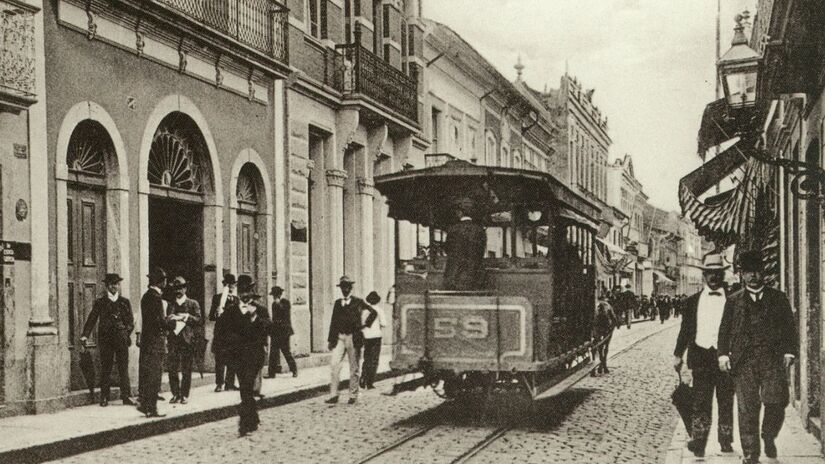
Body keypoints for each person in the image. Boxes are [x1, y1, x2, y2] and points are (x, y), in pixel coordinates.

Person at [718, 250, 797, 464]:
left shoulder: (778, 299)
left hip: (772, 359)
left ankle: (768, 435)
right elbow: (724, 330)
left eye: (756, 271)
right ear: (742, 275)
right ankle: (751, 455)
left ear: (763, 273)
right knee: (747, 408)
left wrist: (789, 351)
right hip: (744, 362)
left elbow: (790, 328)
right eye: (748, 272)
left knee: (776, 402)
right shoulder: (733, 301)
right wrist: (723, 354)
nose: (753, 276)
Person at [673, 254, 734, 457]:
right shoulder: (692, 302)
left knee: (725, 400)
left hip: (726, 357)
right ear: (704, 276)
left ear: (723, 275)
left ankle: (725, 439)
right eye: (710, 274)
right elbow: (685, 330)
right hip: (700, 356)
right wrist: (678, 354)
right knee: (701, 401)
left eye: (717, 273)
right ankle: (699, 441)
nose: (714, 277)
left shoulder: (734, 300)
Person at [224, 274, 273, 436]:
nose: (245, 295)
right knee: (245, 388)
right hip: (238, 356)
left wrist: (255, 318)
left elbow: (268, 328)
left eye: (248, 291)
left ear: (252, 292)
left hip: (254, 355)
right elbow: (225, 331)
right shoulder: (231, 311)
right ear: (238, 292)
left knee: (246, 386)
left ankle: (244, 423)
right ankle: (253, 417)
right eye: (242, 291)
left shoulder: (261, 310)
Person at [80, 273, 135, 407]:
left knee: (123, 367)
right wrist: (85, 334)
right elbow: (92, 318)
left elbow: (130, 322)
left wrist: (125, 332)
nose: (114, 286)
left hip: (121, 340)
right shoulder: (101, 302)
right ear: (107, 286)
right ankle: (104, 397)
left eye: (116, 284)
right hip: (106, 340)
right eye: (111, 284)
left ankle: (126, 396)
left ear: (118, 285)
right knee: (106, 368)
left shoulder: (124, 302)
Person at [326, 276, 370, 405]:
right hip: (340, 337)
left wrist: (364, 325)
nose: (344, 289)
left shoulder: (358, 302)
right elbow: (333, 322)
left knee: (354, 367)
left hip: (353, 337)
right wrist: (330, 339)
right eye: (342, 287)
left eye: (346, 287)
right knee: (334, 365)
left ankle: (353, 395)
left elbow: (372, 312)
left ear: (350, 288)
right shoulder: (338, 303)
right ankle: (334, 395)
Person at [137, 267, 174, 418]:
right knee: (155, 375)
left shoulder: (146, 296)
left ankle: (145, 405)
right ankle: (151, 408)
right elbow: (160, 322)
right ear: (160, 282)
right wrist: (171, 322)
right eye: (164, 280)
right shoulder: (157, 298)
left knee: (147, 374)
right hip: (156, 342)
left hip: (147, 341)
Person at [165, 277, 201, 405]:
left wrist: (185, 316)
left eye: (181, 288)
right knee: (172, 367)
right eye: (176, 289)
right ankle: (175, 394)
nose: (178, 291)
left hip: (187, 339)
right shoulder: (171, 304)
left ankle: (185, 394)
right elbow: (167, 320)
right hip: (174, 339)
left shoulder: (193, 303)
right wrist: (171, 319)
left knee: (186, 368)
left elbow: (198, 320)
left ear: (185, 288)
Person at [443, 198, 486, 290]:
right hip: (475, 277)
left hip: (454, 277)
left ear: (459, 213)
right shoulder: (480, 230)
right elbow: (481, 252)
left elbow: (447, 249)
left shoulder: (453, 229)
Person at [209, 274, 239, 392]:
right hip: (221, 333)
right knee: (220, 359)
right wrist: (217, 312)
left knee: (233, 359)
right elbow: (211, 316)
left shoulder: (237, 300)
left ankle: (230, 383)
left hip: (233, 334)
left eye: (233, 284)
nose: (231, 286)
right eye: (228, 284)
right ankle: (219, 383)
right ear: (224, 285)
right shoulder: (217, 298)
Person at [267, 286, 298, 378]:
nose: (274, 297)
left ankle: (294, 370)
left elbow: (285, 315)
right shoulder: (274, 304)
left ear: (279, 294)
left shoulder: (285, 303)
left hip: (284, 331)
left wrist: (278, 304)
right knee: (273, 353)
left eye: (275, 295)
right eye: (274, 295)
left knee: (286, 352)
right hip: (276, 332)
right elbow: (274, 318)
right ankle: (271, 373)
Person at [360, 291, 384, 389]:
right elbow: (383, 324)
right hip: (376, 337)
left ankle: (363, 377)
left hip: (366, 336)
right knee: (374, 360)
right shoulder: (379, 310)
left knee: (367, 358)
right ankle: (370, 382)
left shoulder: (364, 310)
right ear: (377, 301)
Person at [592, 297, 616, 375]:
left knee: (598, 346)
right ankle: (603, 365)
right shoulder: (608, 305)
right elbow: (613, 318)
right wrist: (616, 324)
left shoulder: (595, 305)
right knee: (605, 347)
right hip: (606, 328)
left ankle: (597, 364)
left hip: (596, 327)